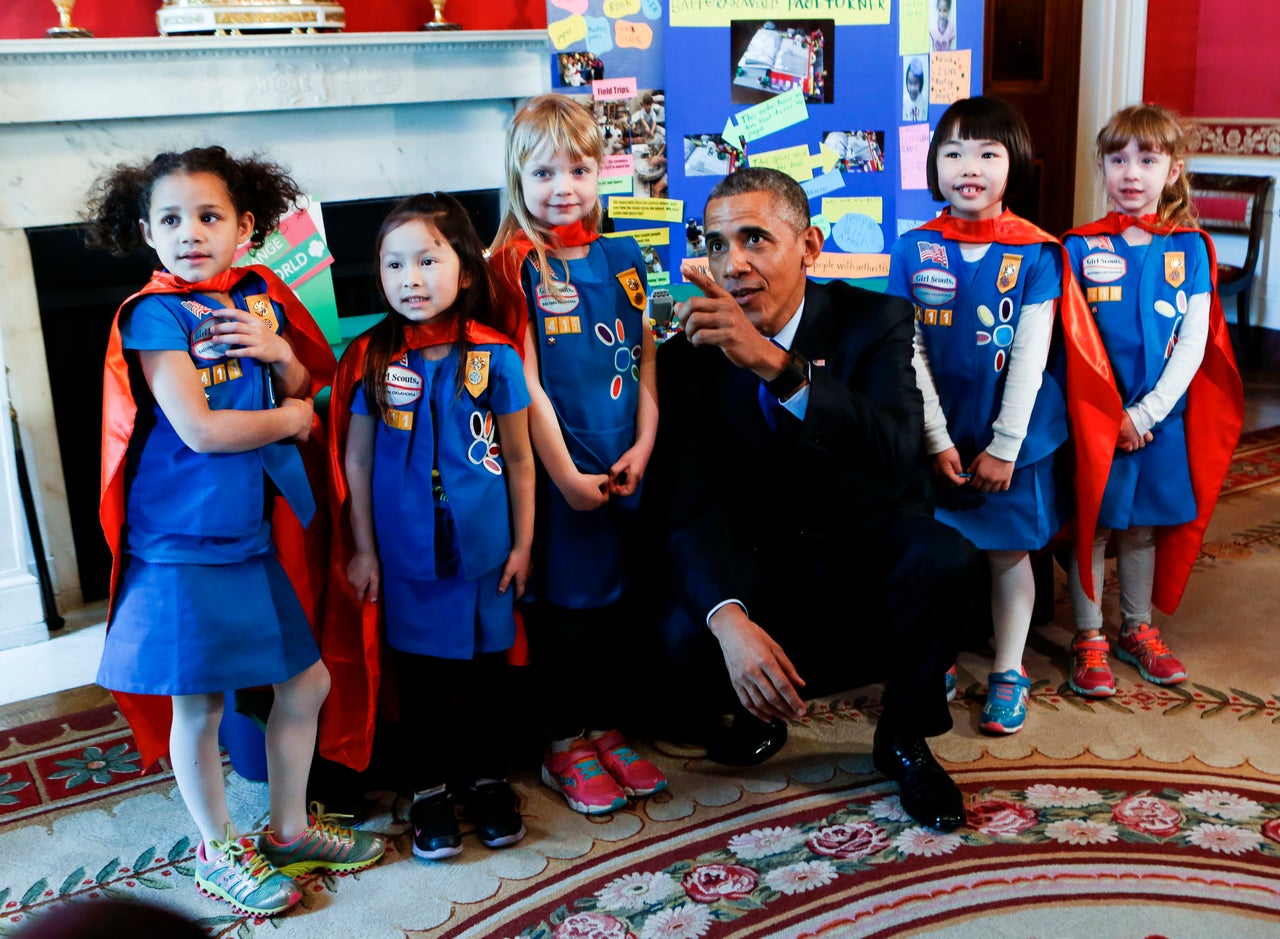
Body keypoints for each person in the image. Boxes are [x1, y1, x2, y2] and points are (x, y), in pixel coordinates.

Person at [87, 146, 383, 918]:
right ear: (148, 233)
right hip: (183, 540)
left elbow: (307, 377)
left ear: (245, 226)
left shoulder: (259, 293)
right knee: (201, 705)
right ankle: (218, 851)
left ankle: (287, 828)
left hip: (247, 531)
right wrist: (294, 419)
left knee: (307, 679)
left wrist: (281, 354)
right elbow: (201, 429)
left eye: (209, 216)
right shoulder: (154, 313)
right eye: (172, 219)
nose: (191, 232)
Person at [644, 167, 982, 833]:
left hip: (858, 544)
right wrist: (728, 621)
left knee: (947, 560)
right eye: (716, 244)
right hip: (761, 556)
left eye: (754, 239)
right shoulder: (687, 356)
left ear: (810, 246)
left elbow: (894, 447)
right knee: (686, 633)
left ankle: (904, 737)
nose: (732, 264)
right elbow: (685, 506)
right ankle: (753, 705)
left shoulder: (875, 319)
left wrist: (772, 362)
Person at [888, 97, 1119, 735]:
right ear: (933, 165)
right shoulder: (913, 249)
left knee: (1008, 554)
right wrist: (935, 438)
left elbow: (1031, 356)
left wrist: (1006, 444)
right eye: (954, 152)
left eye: (988, 153)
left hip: (1013, 435)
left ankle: (1009, 670)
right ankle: (936, 659)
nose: (970, 166)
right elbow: (906, 352)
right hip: (940, 432)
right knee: (940, 552)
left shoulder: (1039, 253)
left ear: (1012, 166)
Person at [324, 192, 535, 860]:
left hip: (486, 556)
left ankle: (488, 778)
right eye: (393, 264)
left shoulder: (495, 355)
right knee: (420, 682)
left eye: (426, 259)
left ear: (466, 271)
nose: (409, 278)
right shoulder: (370, 357)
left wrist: (525, 543)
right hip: (409, 558)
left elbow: (522, 459)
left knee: (484, 676)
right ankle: (428, 789)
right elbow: (354, 457)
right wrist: (362, 548)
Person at [490, 94, 667, 816]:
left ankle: (605, 725)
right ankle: (563, 739)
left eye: (579, 168)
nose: (563, 186)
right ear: (517, 180)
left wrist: (646, 447)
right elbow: (523, 381)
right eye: (543, 173)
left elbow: (647, 360)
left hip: (625, 467)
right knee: (564, 612)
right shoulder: (514, 264)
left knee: (616, 606)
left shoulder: (626, 255)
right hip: (559, 476)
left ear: (602, 172)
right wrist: (563, 474)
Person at [1062, 104, 1243, 696]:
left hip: (1158, 419)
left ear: (1173, 170)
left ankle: (1136, 627)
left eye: (1146, 159)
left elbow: (1194, 344)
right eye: (1117, 159)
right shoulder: (1079, 247)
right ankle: (1087, 635)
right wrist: (1110, 416)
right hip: (1096, 420)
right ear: (1103, 168)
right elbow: (1072, 339)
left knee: (1141, 528)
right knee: (1092, 526)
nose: (1131, 172)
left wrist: (1143, 414)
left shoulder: (1190, 249)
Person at [904, 57, 927, 123]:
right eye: (910, 82)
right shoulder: (904, 100)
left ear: (921, 83)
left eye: (916, 83)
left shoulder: (923, 100)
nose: (913, 88)